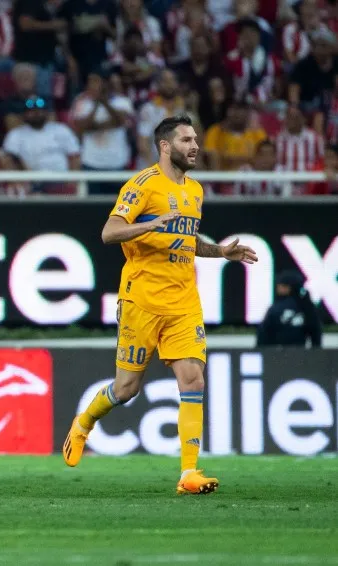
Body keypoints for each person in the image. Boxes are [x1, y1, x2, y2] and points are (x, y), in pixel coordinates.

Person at [61, 114, 258, 495]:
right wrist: (150, 224)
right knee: (126, 388)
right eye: (186, 140)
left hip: (184, 301)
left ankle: (188, 474)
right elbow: (109, 232)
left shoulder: (195, 191)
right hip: (142, 301)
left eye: (196, 138)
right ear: (166, 146)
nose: (195, 146)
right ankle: (83, 423)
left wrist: (219, 252)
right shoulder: (143, 185)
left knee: (193, 379)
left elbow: (185, 239)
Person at [256, 270, 322, 348]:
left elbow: (263, 333)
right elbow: (316, 334)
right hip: (300, 355)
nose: (277, 288)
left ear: (287, 287)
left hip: (276, 355)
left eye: (280, 285)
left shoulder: (277, 308)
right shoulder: (308, 307)